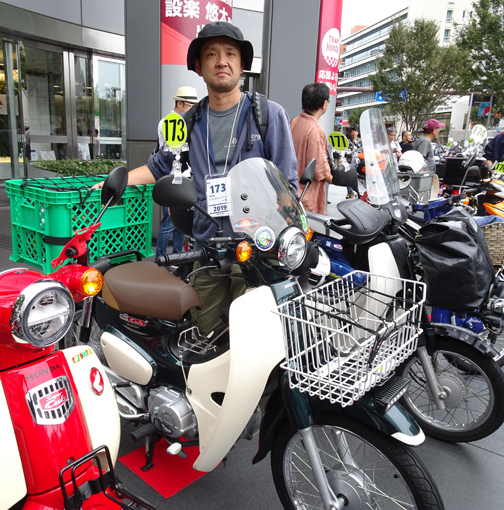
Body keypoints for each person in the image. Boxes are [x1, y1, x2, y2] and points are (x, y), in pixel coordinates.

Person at [95, 21, 297, 337]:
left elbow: (288, 187)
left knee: (259, 341)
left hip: (259, 250)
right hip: (208, 248)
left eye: (230, 54)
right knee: (205, 338)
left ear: (242, 65)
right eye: (211, 54)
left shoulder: (268, 115)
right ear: (199, 67)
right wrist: (117, 182)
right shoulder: (188, 123)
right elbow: (161, 167)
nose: (221, 61)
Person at [155, 86, 198, 257]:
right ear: (180, 103)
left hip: (185, 179)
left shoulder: (186, 121)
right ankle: (160, 258)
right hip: (171, 179)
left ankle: (178, 257)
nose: (192, 109)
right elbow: (172, 152)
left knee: (181, 223)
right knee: (169, 223)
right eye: (190, 105)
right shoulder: (169, 122)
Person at [290, 83, 333, 214]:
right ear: (324, 104)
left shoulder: (294, 121)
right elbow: (319, 169)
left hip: (291, 192)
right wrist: (335, 179)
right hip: (306, 197)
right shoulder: (316, 129)